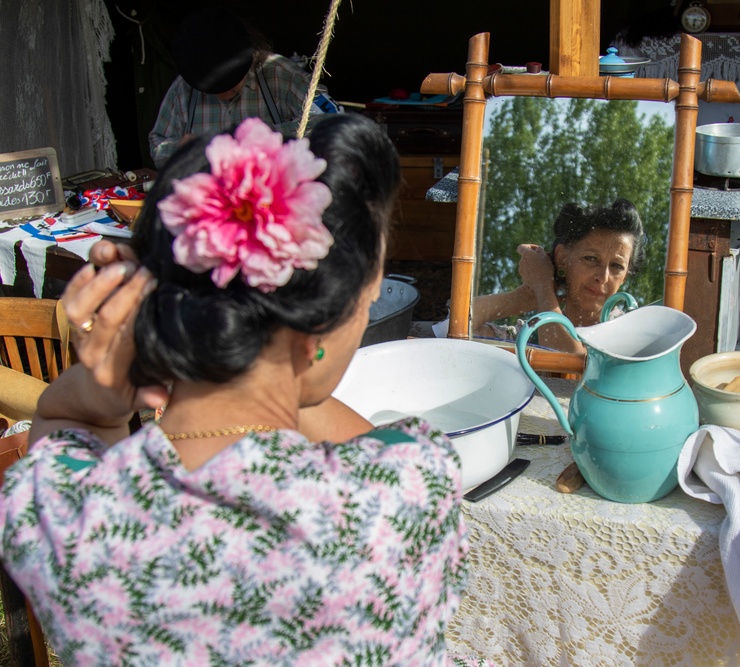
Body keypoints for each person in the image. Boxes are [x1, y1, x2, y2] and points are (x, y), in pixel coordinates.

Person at [0, 114, 492, 666]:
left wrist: (144, 356)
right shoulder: (407, 487)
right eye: (364, 303)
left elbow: (67, 427)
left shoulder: (57, 516)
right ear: (316, 328)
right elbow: (345, 428)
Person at [149, 6, 340, 169]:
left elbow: (332, 117)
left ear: (250, 62)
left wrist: (268, 137)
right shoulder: (184, 88)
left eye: (230, 86)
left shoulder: (278, 73)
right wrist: (181, 147)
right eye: (212, 90)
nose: (222, 95)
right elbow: (157, 144)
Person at [469, 199, 645, 354]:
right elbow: (451, 328)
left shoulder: (634, 337)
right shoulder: (529, 336)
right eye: (591, 259)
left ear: (625, 277)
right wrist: (524, 297)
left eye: (616, 266)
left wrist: (543, 289)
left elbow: (572, 363)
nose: (604, 277)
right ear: (562, 258)